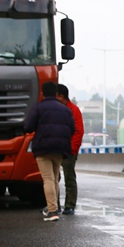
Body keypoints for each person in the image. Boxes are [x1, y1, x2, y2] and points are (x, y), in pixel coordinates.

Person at [24, 82, 74, 222]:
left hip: (43, 148)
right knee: (55, 178)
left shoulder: (39, 107)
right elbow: (72, 129)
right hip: (60, 148)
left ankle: (52, 211)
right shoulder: (65, 109)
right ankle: (55, 207)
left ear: (43, 92)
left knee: (48, 179)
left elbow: (28, 126)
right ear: (56, 93)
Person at [56, 84, 84, 215]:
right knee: (54, 178)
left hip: (68, 150)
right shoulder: (55, 109)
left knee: (69, 178)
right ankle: (54, 205)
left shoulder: (74, 110)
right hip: (55, 148)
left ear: (61, 96)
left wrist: (72, 149)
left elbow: (79, 131)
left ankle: (70, 205)